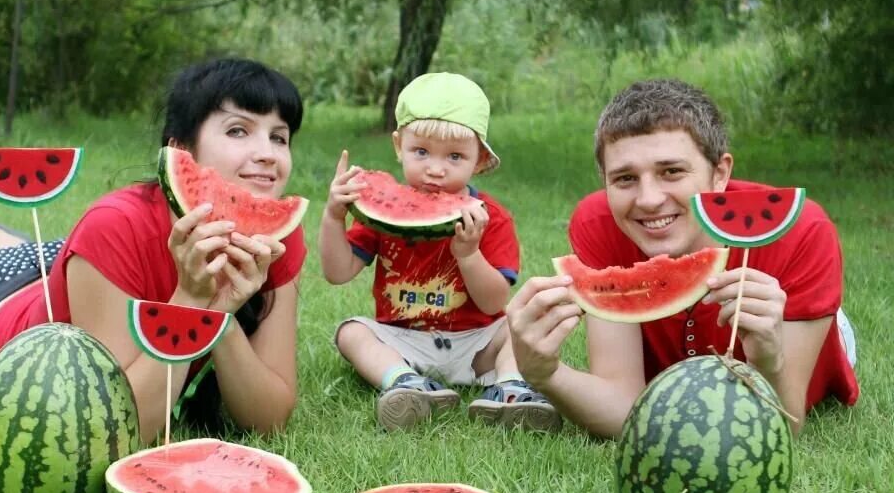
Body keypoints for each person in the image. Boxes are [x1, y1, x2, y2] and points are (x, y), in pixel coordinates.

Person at [0, 58, 307, 444]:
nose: (267, 153)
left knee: (29, 255)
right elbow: (122, 426)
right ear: (181, 151)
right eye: (238, 130)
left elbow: (269, 420)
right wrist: (192, 299)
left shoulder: (277, 237)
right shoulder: (116, 224)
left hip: (70, 272)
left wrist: (219, 313)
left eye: (279, 137)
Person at [506, 78, 859, 438]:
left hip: (796, 320)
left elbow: (785, 425)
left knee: (823, 331)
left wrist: (769, 360)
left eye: (671, 171)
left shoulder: (803, 230)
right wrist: (544, 374)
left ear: (719, 174)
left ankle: (836, 325)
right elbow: (623, 404)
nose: (647, 199)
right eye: (625, 178)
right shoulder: (598, 223)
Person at [319, 72, 560, 432]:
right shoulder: (378, 214)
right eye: (421, 151)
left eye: (455, 156)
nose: (435, 168)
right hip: (403, 341)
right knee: (350, 332)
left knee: (517, 322)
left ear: (478, 160)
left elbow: (494, 301)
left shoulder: (491, 219)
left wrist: (468, 254)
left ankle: (511, 388)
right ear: (398, 145)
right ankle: (403, 383)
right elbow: (337, 272)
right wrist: (333, 216)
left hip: (477, 346)